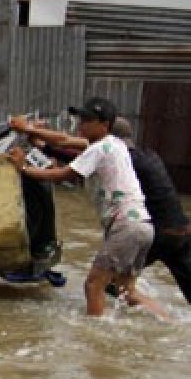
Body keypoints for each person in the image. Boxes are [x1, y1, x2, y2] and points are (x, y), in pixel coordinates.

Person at [12, 97, 168, 320]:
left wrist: (24, 168)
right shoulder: (114, 144)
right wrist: (32, 132)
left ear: (104, 125)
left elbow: (64, 175)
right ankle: (170, 322)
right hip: (142, 226)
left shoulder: (100, 148)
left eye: (87, 120)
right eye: (81, 119)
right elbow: (64, 139)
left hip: (125, 226)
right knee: (126, 292)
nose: (81, 124)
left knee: (93, 285)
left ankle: (94, 333)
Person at [111, 117, 191, 309]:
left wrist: (46, 149)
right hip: (182, 232)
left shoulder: (125, 161)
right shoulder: (149, 155)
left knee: (107, 281)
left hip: (160, 236)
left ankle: (156, 318)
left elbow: (80, 166)